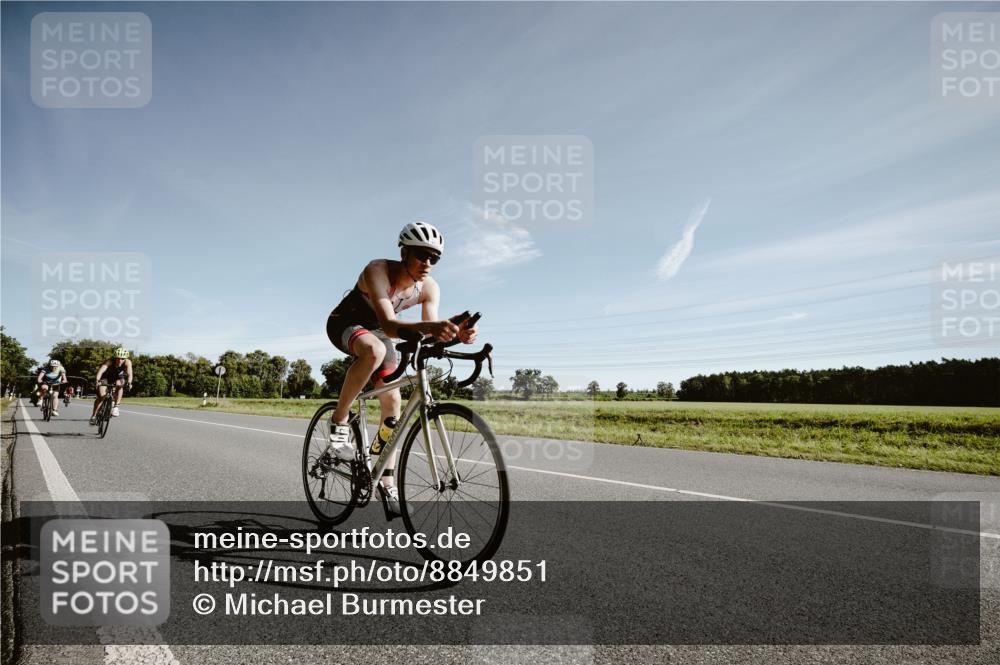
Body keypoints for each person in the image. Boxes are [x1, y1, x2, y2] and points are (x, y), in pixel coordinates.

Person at [326, 222, 477, 515]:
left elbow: (428, 331)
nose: (428, 263)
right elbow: (389, 324)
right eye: (421, 255)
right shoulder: (377, 270)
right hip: (346, 323)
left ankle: (385, 479)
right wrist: (432, 327)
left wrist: (456, 333)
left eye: (435, 258)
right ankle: (339, 421)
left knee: (392, 401)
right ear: (404, 252)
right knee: (374, 350)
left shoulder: (430, 288)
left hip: (381, 333)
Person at [90, 347, 133, 425]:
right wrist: (97, 380)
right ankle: (94, 416)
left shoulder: (127, 362)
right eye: (118, 358)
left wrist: (129, 383)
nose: (120, 360)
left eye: (122, 359)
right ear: (115, 357)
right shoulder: (110, 361)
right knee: (102, 396)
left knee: (121, 384)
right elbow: (101, 371)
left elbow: (130, 374)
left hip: (118, 378)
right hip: (105, 377)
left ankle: (116, 407)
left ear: (125, 358)